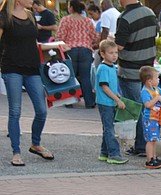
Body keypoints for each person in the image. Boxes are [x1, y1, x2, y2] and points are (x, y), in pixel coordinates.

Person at [1, 0, 54, 166]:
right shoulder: (4, 17)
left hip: (32, 68)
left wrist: (55, 47)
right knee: (15, 111)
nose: (33, 1)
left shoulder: (31, 16)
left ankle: (35, 144)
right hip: (12, 68)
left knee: (41, 110)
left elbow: (33, 44)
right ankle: (16, 152)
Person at [114, 0, 156, 157]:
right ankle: (146, 143)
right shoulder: (150, 12)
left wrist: (108, 42)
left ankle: (140, 145)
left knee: (137, 108)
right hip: (148, 69)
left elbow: (120, 45)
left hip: (130, 70)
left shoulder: (124, 17)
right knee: (147, 106)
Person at [55, 0, 99, 108]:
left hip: (71, 49)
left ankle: (69, 101)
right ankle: (89, 102)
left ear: (71, 8)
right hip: (86, 50)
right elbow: (94, 37)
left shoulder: (66, 20)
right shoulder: (88, 21)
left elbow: (59, 36)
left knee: (70, 76)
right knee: (85, 77)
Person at [94, 39, 128, 164]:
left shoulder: (112, 67)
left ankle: (104, 152)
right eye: (110, 53)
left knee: (108, 127)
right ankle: (114, 154)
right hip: (106, 102)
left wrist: (117, 94)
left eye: (115, 53)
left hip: (110, 101)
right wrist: (117, 99)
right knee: (110, 129)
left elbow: (111, 85)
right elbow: (104, 87)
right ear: (102, 54)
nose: (114, 55)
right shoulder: (103, 68)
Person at [139, 65, 161, 169]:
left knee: (154, 139)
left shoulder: (156, 89)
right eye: (156, 78)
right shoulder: (145, 92)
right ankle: (149, 160)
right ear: (149, 81)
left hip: (157, 118)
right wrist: (156, 99)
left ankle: (154, 157)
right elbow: (147, 104)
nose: (158, 79)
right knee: (150, 140)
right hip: (149, 119)